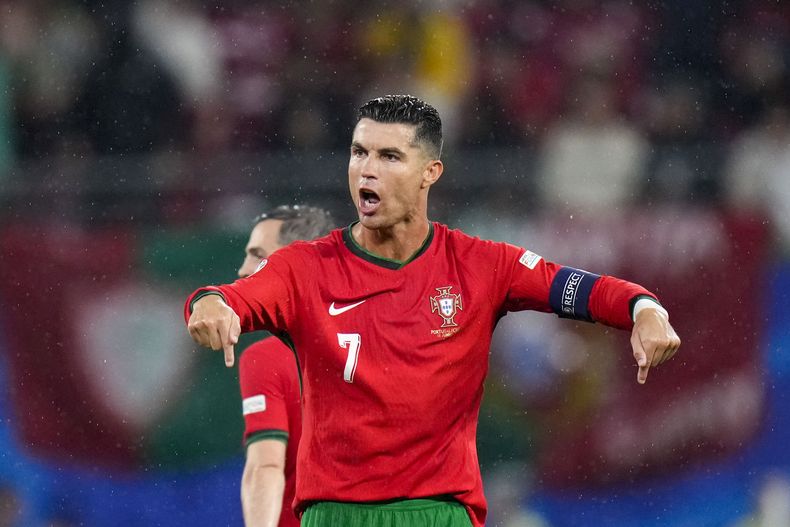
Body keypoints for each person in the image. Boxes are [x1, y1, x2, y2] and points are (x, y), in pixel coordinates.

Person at [185, 95, 681, 527]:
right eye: (359, 153)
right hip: (335, 513)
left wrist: (644, 307)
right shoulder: (303, 268)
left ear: (430, 173)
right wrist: (211, 305)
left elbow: (576, 287)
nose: (367, 169)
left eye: (389, 155)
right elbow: (231, 297)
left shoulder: (481, 264)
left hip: (440, 510)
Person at [235, 205, 335, 527]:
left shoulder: (267, 357)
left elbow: (265, 468)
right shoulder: (375, 340)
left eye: (257, 254)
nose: (242, 269)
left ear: (293, 263)